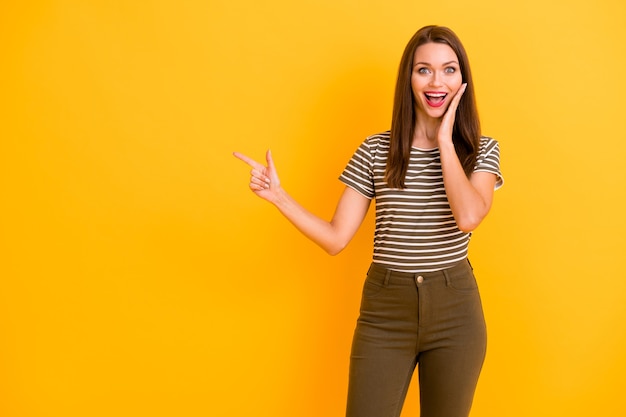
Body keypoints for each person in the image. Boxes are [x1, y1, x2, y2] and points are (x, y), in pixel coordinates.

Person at [234, 25, 503, 417]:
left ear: (463, 80)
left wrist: (444, 140)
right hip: (385, 311)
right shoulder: (377, 149)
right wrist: (278, 196)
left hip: (455, 310)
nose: (436, 81)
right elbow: (335, 238)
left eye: (449, 69)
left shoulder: (481, 150)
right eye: (423, 69)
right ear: (408, 79)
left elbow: (468, 216)